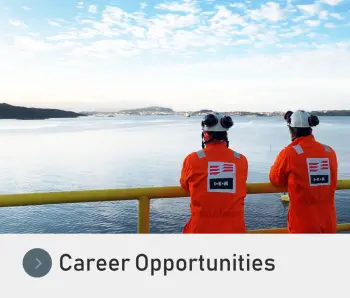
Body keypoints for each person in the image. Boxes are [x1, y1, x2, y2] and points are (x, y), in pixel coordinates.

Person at [269, 110, 338, 233]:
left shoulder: (290, 153)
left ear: (292, 131)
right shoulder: (329, 151)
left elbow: (275, 179)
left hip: (303, 226)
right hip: (329, 223)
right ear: (310, 129)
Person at [180, 112, 248, 233]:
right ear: (226, 134)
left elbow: (185, 185)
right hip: (235, 230)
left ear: (205, 135)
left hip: (202, 230)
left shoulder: (192, 159)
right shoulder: (241, 160)